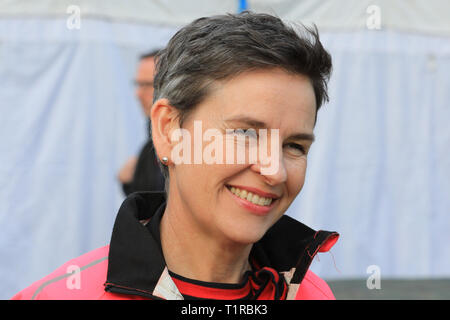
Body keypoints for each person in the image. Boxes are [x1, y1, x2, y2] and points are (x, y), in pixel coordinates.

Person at [12, 11, 338, 300]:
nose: (275, 171)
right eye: (245, 134)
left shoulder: (312, 294)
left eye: (294, 145)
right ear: (169, 131)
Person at [118, 50, 165, 195]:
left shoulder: (186, 144)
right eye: (137, 84)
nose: (138, 94)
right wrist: (128, 183)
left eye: (146, 85)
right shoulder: (149, 148)